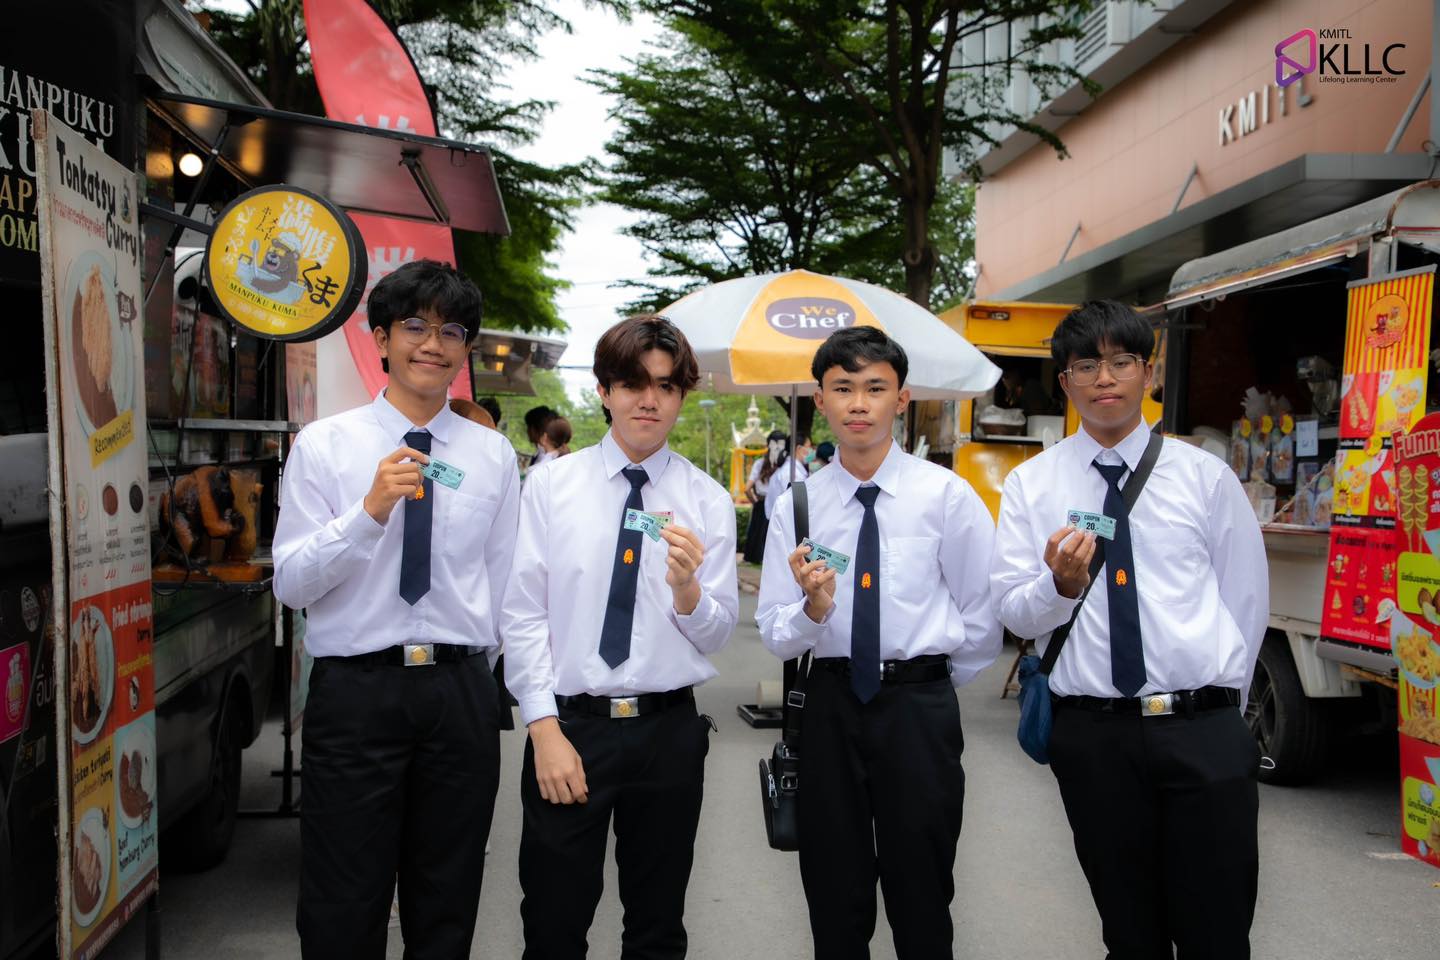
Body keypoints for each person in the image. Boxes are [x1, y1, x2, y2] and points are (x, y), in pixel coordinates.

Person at [990, 300, 1267, 960]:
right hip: (1095, 737)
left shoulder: (1204, 477)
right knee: (1129, 933)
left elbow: (1245, 601)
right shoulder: (1032, 484)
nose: (1105, 378)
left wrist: (1223, 715)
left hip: (1201, 728)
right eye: (1086, 365)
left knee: (1218, 934)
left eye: (1121, 361)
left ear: (1149, 371)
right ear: (1065, 381)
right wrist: (1058, 586)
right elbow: (1013, 612)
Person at [273, 259, 518, 959]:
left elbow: (504, 587)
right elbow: (291, 583)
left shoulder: (493, 456)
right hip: (357, 694)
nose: (432, 344)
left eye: (451, 331)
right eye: (415, 326)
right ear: (380, 338)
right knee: (342, 903)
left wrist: (490, 685)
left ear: (465, 351)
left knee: (447, 902)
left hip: (459, 694)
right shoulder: (326, 445)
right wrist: (368, 512)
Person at [756, 326, 1000, 959]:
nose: (858, 403)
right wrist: (812, 612)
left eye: (874, 387)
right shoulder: (798, 504)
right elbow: (775, 631)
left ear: (902, 397)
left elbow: (981, 616)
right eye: (842, 388)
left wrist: (926, 681)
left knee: (923, 891)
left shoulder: (944, 495)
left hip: (918, 710)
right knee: (833, 894)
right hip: (829, 707)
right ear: (820, 399)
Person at [502, 314, 739, 960]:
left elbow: (718, 632)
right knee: (553, 923)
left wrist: (689, 592)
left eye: (666, 386)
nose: (649, 400)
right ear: (604, 391)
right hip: (571, 729)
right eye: (633, 384)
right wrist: (543, 728)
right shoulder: (552, 486)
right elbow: (522, 613)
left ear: (682, 395)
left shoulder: (706, 500)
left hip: (668, 732)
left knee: (658, 927)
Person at [763, 434, 810, 517]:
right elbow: (796, 505)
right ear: (799, 448)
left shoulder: (790, 469)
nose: (811, 451)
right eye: (809, 447)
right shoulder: (791, 473)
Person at [741, 451, 770, 564]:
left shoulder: (759, 463)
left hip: (761, 502)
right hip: (765, 502)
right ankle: (758, 558)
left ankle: (752, 557)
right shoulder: (779, 464)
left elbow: (747, 489)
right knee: (762, 532)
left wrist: (755, 502)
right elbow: (747, 489)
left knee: (756, 531)